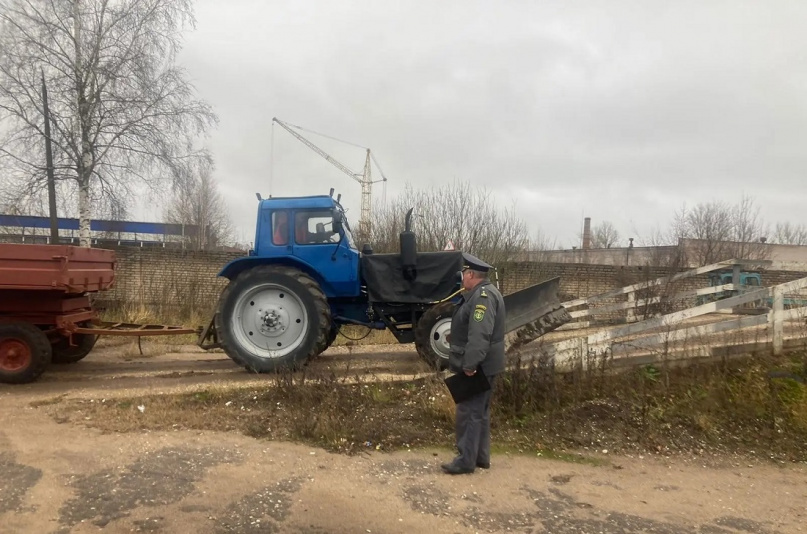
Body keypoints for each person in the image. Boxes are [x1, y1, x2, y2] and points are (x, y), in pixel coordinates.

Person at [441, 252, 506, 475]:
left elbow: (479, 334)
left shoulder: (482, 297)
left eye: (463, 274)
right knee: (480, 412)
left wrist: (470, 364)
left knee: (468, 411)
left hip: (479, 366)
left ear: (470, 274)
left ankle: (465, 461)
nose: (461, 279)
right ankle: (480, 457)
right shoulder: (486, 293)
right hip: (487, 364)